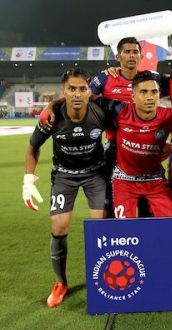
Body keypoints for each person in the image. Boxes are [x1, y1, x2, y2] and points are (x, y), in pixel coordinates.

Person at [22, 69, 109, 307]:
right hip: (64, 176)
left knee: (102, 225)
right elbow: (32, 147)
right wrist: (28, 180)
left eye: (82, 88)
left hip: (95, 174)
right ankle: (61, 282)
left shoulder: (100, 111)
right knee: (59, 226)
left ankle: (106, 278)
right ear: (64, 91)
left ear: (89, 91)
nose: (77, 94)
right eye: (72, 89)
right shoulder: (52, 117)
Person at [96, 71, 172, 218]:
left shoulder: (170, 116)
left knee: (170, 225)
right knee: (124, 231)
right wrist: (53, 106)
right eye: (144, 92)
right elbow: (89, 97)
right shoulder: (120, 110)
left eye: (154, 92)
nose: (150, 97)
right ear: (133, 96)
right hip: (124, 180)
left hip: (155, 181)